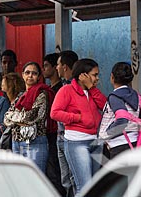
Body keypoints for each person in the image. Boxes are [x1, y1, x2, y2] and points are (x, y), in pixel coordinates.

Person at [51, 58, 107, 194]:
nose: (97, 78)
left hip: (95, 141)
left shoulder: (93, 91)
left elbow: (105, 106)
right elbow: (54, 113)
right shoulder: (66, 90)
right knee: (84, 186)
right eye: (94, 75)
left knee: (94, 186)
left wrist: (92, 88)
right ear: (83, 75)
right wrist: (77, 118)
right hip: (76, 142)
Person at [99, 62, 141, 160]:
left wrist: (107, 133)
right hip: (136, 143)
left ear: (112, 77)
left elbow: (122, 119)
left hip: (119, 146)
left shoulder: (114, 97)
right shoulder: (138, 96)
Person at [4, 62, 55, 172]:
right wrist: (21, 119)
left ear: (38, 77)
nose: (30, 76)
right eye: (27, 73)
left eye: (34, 73)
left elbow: (32, 117)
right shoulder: (20, 96)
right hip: (16, 142)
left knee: (35, 179)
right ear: (22, 75)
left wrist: (15, 118)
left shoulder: (42, 94)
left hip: (35, 141)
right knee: (20, 179)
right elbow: (6, 119)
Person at [55, 50, 79, 197]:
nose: (56, 67)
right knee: (66, 180)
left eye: (58, 64)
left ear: (64, 67)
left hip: (71, 138)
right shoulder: (64, 85)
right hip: (61, 137)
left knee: (73, 178)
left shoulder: (76, 87)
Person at [43, 53, 65, 196]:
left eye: (46, 66)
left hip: (56, 134)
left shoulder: (60, 89)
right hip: (50, 135)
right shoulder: (49, 88)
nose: (43, 69)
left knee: (56, 173)